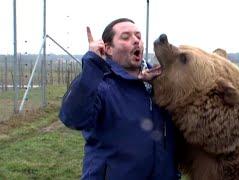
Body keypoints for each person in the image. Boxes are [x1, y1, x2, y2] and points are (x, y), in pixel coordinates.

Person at [59, 18, 180, 180]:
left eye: (138, 36)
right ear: (108, 48)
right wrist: (93, 65)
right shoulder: (102, 86)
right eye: (126, 37)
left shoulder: (156, 84)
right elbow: (73, 117)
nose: (136, 40)